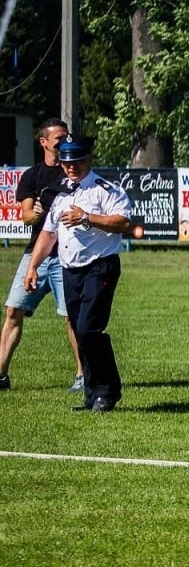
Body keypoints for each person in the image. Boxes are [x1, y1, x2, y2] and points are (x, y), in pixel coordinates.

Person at [24, 137, 132, 412]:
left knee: (88, 329)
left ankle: (108, 391)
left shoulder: (104, 190)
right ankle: (92, 394)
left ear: (88, 160)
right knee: (78, 329)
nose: (71, 167)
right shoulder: (61, 195)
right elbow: (48, 234)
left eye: (77, 161)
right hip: (70, 269)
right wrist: (32, 266)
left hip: (100, 266)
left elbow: (122, 222)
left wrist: (87, 218)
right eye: (66, 162)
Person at [0, 118, 85, 393]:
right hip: (35, 253)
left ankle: (83, 376)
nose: (64, 141)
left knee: (71, 316)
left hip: (65, 255)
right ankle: (1, 375)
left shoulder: (73, 172)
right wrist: (33, 214)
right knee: (13, 310)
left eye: (67, 136)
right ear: (44, 142)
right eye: (59, 138)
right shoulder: (32, 176)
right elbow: (25, 216)